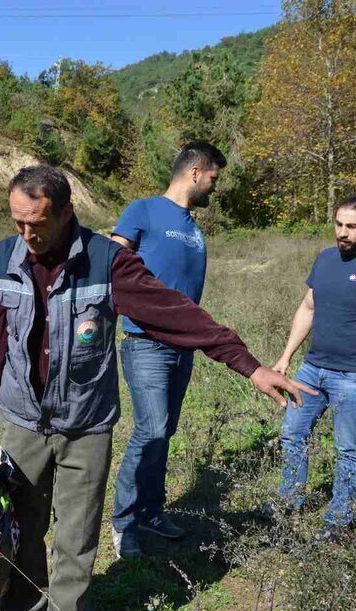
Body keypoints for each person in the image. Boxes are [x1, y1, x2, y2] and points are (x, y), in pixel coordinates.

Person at [0, 165, 313, 611]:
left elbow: (174, 313)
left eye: (36, 223)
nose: (26, 234)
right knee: (23, 530)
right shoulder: (0, 260)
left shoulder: (109, 261)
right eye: (17, 222)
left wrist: (249, 364)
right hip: (21, 422)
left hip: (86, 423)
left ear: (66, 213)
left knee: (77, 536)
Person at [270, 196, 356, 542]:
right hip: (311, 369)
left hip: (355, 376)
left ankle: (338, 519)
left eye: (352, 226)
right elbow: (308, 308)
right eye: (338, 224)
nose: (342, 233)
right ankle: (290, 502)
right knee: (292, 434)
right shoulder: (325, 259)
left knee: (347, 449)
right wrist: (287, 356)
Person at [108, 141, 226, 551]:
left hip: (183, 347)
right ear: (195, 173)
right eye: (213, 177)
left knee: (165, 431)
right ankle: (123, 524)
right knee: (151, 428)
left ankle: (151, 512)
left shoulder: (193, 225)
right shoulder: (142, 210)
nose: (214, 186)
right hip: (146, 343)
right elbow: (113, 266)